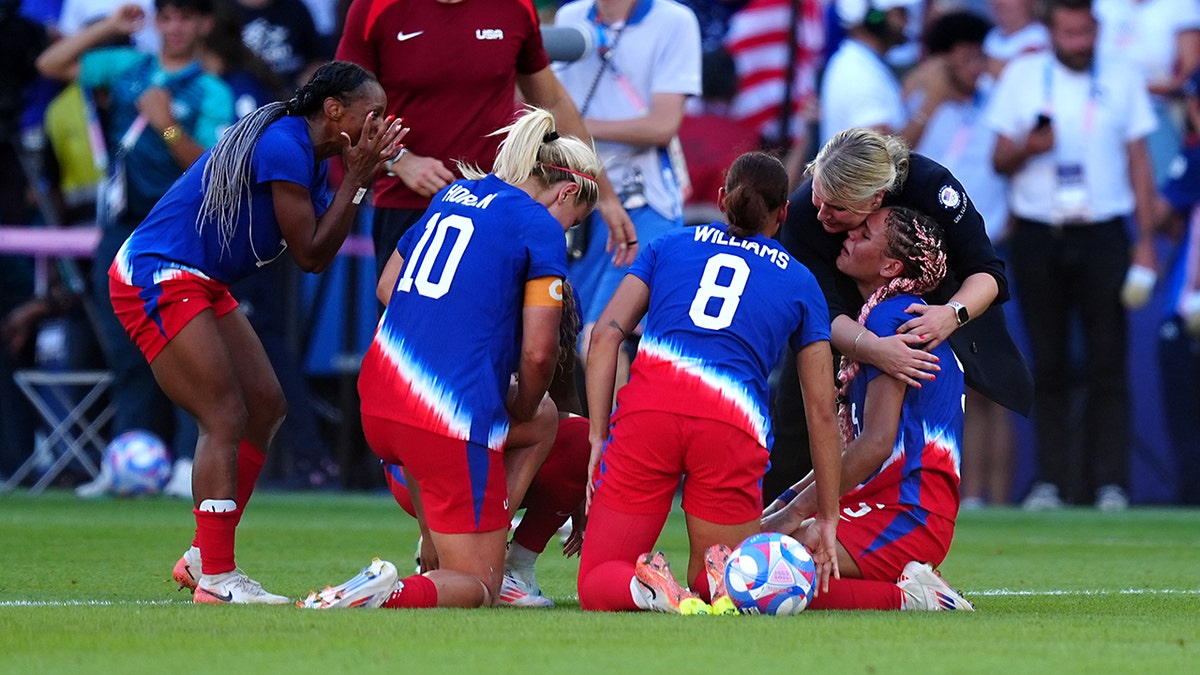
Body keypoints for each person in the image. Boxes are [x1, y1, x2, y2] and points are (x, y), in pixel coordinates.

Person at [108, 61, 405, 603]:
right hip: (158, 272)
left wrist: (356, 182)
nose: (381, 125)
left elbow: (317, 250)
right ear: (334, 110)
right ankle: (217, 578)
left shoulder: (311, 156)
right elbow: (312, 254)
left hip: (201, 279)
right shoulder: (285, 145)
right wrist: (359, 179)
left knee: (267, 404)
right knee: (224, 415)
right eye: (374, 114)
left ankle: (202, 557)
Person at [302, 107, 602, 610]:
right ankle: (392, 589)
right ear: (567, 192)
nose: (567, 234)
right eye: (574, 223)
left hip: (380, 395)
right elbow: (539, 352)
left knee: (544, 420)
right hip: (444, 418)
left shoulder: (453, 195)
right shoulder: (537, 225)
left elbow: (386, 285)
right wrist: (520, 402)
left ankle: (433, 550)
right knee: (478, 588)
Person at [576, 151, 842, 614]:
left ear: (721, 200)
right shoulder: (801, 282)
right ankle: (714, 574)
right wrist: (830, 514)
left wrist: (599, 435)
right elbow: (821, 409)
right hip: (731, 425)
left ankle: (648, 588)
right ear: (784, 213)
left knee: (600, 580)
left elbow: (604, 337)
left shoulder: (667, 246)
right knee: (729, 584)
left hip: (650, 413)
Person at [765, 127, 1032, 505]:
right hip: (839, 321)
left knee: (909, 423)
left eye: (838, 208)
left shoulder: (932, 186)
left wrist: (950, 315)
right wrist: (876, 349)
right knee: (800, 418)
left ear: (876, 198)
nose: (822, 212)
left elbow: (987, 272)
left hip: (932, 309)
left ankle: (905, 515)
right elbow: (820, 318)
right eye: (818, 196)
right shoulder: (804, 216)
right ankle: (772, 534)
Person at [36, 0, 235, 495]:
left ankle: (188, 462)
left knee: (187, 347)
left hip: (181, 233)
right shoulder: (130, 66)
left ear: (203, 25)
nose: (175, 27)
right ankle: (126, 457)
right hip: (122, 227)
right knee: (126, 349)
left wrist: (165, 123)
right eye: (167, 17)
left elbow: (212, 168)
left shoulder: (211, 90)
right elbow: (51, 64)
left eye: (186, 18)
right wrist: (110, 25)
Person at [987, 0, 1157, 510]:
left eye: (1085, 33)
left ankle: (1112, 483)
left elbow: (1139, 159)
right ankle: (1051, 481)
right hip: (1039, 230)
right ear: (1050, 31)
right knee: (1048, 359)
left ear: (1097, 28)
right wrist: (1028, 149)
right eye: (1069, 34)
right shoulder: (1022, 75)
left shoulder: (1123, 75)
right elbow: (999, 158)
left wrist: (1144, 238)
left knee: (1109, 359)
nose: (1079, 44)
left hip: (1104, 230)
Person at [762, 205, 975, 612]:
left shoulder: (893, 317)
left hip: (908, 513)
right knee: (769, 550)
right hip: (892, 505)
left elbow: (877, 444)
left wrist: (791, 514)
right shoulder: (884, 315)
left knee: (779, 564)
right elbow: (856, 451)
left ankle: (915, 597)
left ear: (891, 266)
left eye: (863, 235)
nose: (847, 236)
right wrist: (780, 506)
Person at [335, 0, 636, 286]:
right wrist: (399, 159)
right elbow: (344, 107)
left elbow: (554, 103)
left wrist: (605, 195)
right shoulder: (374, 7)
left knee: (503, 333)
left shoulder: (516, 6)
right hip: (409, 207)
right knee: (407, 331)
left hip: (498, 206)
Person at [904, 10, 1017, 508]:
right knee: (950, 379)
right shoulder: (926, 104)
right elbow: (894, 158)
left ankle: (992, 499)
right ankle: (953, 494)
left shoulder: (1000, 101)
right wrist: (929, 99)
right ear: (943, 60)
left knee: (995, 381)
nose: (975, 66)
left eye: (979, 55)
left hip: (988, 254)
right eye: (964, 57)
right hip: (935, 258)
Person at [551, 0, 702, 358]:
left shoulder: (675, 21)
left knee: (602, 340)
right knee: (568, 345)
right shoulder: (569, 17)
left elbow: (663, 125)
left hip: (643, 202)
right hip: (576, 202)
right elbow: (542, 100)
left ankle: (619, 418)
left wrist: (572, 128)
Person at [819, 0, 911, 145]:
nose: (906, 20)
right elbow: (881, 152)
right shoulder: (858, 73)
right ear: (873, 17)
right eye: (899, 12)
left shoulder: (861, 62)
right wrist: (931, 102)